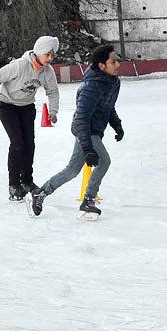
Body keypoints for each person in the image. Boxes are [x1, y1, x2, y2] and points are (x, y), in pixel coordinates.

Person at [25, 44, 123, 221]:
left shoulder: (113, 82)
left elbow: (108, 106)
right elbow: (81, 119)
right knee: (105, 162)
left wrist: (117, 125)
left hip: (94, 131)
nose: (118, 65)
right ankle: (89, 199)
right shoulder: (90, 87)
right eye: (113, 61)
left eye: (117, 61)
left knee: (72, 170)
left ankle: (40, 193)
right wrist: (87, 148)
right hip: (85, 130)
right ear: (102, 66)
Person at [0, 36, 60, 201]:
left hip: (26, 107)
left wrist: (53, 111)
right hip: (6, 105)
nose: (50, 58)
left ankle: (27, 181)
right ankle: (14, 185)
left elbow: (53, 91)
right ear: (39, 52)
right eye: (47, 54)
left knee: (29, 143)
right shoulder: (19, 66)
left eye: (52, 55)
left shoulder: (47, 72)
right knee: (17, 142)